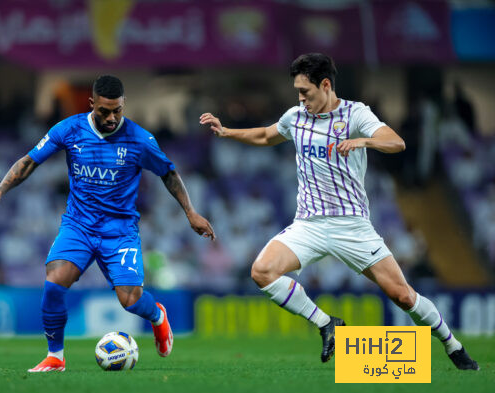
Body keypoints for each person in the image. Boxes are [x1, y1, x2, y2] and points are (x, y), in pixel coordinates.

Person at [200, 53, 478, 370]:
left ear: (326, 85)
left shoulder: (355, 114)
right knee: (262, 271)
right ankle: (326, 323)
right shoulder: (296, 117)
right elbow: (266, 135)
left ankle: (453, 346)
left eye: (305, 91)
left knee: (402, 296)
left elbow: (395, 142)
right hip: (309, 225)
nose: (300, 98)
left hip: (353, 226)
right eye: (297, 92)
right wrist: (227, 132)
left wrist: (363, 141)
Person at [0, 75, 215, 372]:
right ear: (92, 104)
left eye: (117, 111)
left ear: (123, 105)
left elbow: (169, 173)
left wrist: (191, 212)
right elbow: (30, 161)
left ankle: (158, 316)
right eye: (104, 111)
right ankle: (55, 357)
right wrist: (0, 190)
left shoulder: (140, 139)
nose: (111, 118)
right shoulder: (69, 129)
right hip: (79, 226)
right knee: (54, 283)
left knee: (130, 300)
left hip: (120, 232)